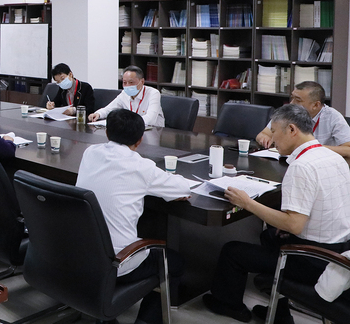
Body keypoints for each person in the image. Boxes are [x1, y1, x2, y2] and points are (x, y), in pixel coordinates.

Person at [203, 104, 350, 323]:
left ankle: (230, 306)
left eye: (274, 132)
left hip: (314, 259)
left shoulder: (301, 166)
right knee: (269, 235)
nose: (272, 139)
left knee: (232, 251)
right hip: (341, 246)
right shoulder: (334, 157)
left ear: (292, 130)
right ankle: (280, 313)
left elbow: (294, 225)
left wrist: (247, 203)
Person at [76, 109, 189, 324]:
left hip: (78, 253)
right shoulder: (141, 167)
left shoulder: (90, 152)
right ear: (140, 140)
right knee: (173, 262)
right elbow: (183, 189)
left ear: (107, 133)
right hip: (116, 262)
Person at [256, 81, 350, 157]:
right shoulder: (288, 112)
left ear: (315, 105)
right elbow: (263, 134)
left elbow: (348, 150)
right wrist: (264, 138)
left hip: (319, 162)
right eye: (292, 98)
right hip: (287, 161)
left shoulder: (333, 116)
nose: (292, 103)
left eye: (298, 100)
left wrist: (313, 148)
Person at [88, 66, 165, 127]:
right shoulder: (124, 93)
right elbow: (110, 108)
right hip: (132, 129)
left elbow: (150, 119)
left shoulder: (153, 93)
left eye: (131, 82)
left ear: (142, 81)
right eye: (124, 82)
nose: (127, 86)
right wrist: (98, 114)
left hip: (154, 130)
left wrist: (127, 123)